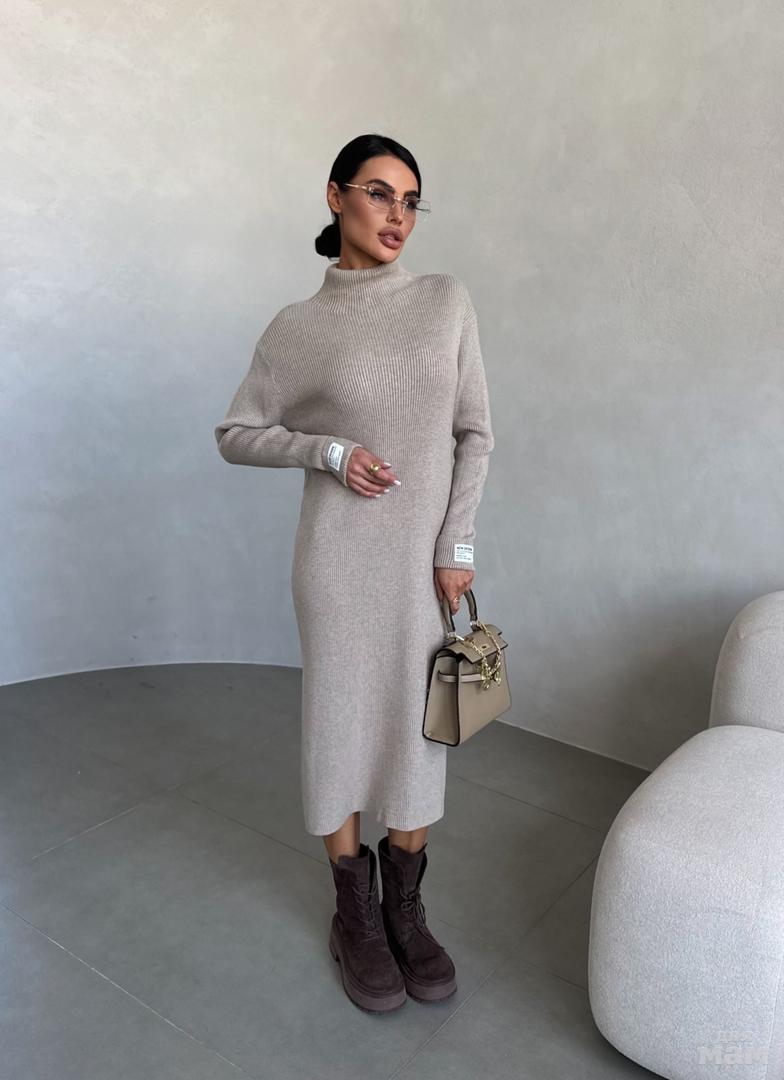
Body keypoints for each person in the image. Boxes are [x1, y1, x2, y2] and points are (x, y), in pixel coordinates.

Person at [214, 133, 494, 1013]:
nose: (397, 215)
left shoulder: (444, 300)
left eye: (411, 200)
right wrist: (327, 451)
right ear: (335, 196)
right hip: (336, 563)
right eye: (379, 193)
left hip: (420, 565)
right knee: (337, 725)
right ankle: (354, 914)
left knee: (418, 731)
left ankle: (404, 907)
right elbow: (236, 432)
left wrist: (455, 546)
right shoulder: (296, 327)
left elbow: (474, 433)